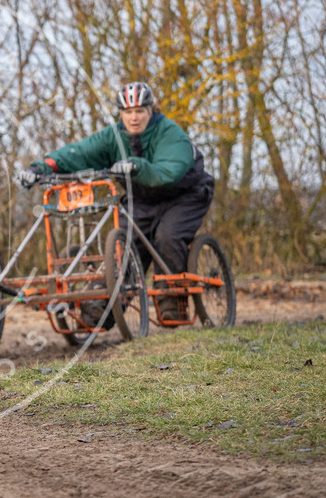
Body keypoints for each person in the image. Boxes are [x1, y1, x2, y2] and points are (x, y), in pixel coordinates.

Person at [16, 82, 215, 322]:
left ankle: (172, 301)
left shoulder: (169, 133)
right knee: (125, 245)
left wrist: (136, 165)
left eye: (140, 111)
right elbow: (78, 153)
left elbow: (171, 170)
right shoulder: (113, 136)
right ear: (121, 113)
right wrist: (42, 167)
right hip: (141, 198)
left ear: (151, 110)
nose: (134, 117)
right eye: (128, 112)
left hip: (183, 195)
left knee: (167, 237)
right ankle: (104, 309)